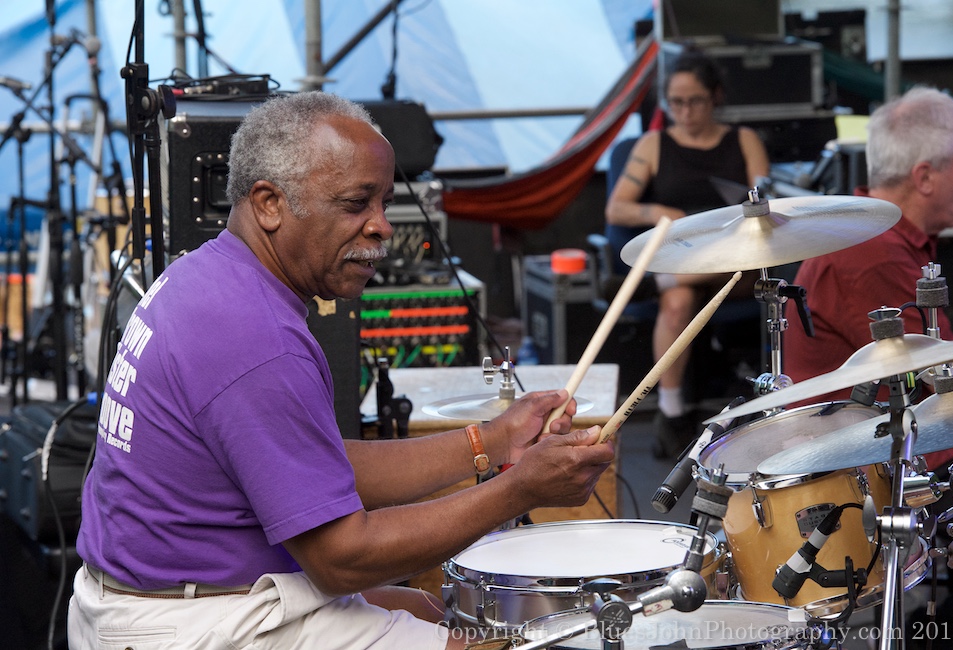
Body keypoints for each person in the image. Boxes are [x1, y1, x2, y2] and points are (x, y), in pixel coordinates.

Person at [67, 92, 616, 650]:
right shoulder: (255, 338)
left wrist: (494, 440)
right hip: (193, 624)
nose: (381, 226)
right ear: (269, 203)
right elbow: (342, 561)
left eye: (383, 202)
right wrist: (521, 490)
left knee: (424, 607)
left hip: (152, 596)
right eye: (357, 204)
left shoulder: (204, 275)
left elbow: (307, 463)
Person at [783, 86, 953, 468]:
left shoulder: (876, 235)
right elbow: (951, 376)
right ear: (924, 178)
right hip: (869, 472)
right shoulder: (871, 253)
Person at [604, 50, 770, 456]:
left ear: (715, 97)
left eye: (694, 101)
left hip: (736, 260)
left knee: (710, 274)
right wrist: (658, 210)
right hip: (684, 257)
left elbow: (766, 199)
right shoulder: (653, 144)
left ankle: (652, 282)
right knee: (676, 301)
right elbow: (616, 207)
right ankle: (672, 413)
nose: (685, 111)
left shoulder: (743, 140)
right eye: (675, 103)